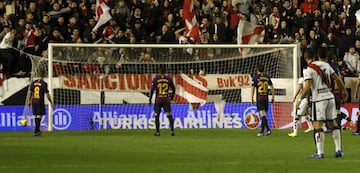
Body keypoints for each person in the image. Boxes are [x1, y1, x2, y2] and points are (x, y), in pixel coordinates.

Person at [296, 48, 348, 159]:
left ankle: (320, 153)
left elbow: (308, 85)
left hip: (319, 99)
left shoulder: (309, 69)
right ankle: (338, 150)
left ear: (305, 58)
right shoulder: (326, 65)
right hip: (330, 97)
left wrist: (300, 99)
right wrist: (344, 91)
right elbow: (337, 79)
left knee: (318, 126)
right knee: (333, 123)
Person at [149, 65, 176, 136]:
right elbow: (173, 89)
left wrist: (150, 99)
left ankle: (157, 132)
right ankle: (172, 131)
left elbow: (152, 90)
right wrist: (171, 97)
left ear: (159, 71)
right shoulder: (169, 79)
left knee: (157, 116)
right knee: (169, 115)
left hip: (158, 100)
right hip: (166, 100)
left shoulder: (156, 79)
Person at [26, 70, 54, 136]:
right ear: (44, 76)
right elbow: (47, 94)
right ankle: (36, 131)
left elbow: (30, 92)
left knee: (36, 116)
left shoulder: (33, 83)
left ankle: (37, 131)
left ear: (38, 75)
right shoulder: (44, 83)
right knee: (39, 116)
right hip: (39, 101)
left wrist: (29, 101)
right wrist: (51, 102)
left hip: (34, 101)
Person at [251, 64, 275, 136]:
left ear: (257, 70)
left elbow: (253, 88)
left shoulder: (255, 77)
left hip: (260, 98)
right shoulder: (267, 77)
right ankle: (265, 130)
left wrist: (251, 97)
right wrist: (273, 97)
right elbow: (272, 87)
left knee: (262, 115)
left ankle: (265, 131)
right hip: (266, 98)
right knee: (263, 114)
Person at [288, 73, 314, 137]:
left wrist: (295, 96)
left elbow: (299, 87)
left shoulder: (302, 79)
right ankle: (311, 126)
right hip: (312, 98)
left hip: (304, 99)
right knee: (305, 113)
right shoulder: (312, 79)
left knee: (297, 115)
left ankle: (295, 132)